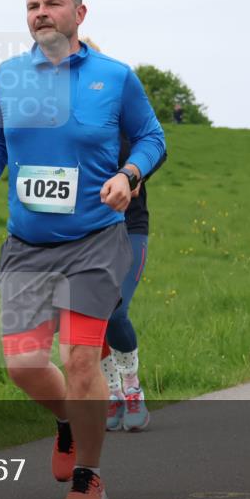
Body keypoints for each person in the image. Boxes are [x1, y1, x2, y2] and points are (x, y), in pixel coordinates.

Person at [0, 0, 166, 499]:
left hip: (94, 241)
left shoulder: (115, 76)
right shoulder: (10, 76)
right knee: (24, 366)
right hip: (27, 244)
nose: (41, 13)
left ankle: (89, 475)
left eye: (53, 3)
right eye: (32, 5)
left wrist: (128, 175)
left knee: (80, 359)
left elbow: (152, 136)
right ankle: (67, 423)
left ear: (80, 14)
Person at [80, 39, 165, 433]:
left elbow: (153, 146)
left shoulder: (120, 113)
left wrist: (131, 177)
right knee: (87, 318)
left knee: (114, 310)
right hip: (81, 232)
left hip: (128, 229)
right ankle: (110, 393)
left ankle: (132, 390)